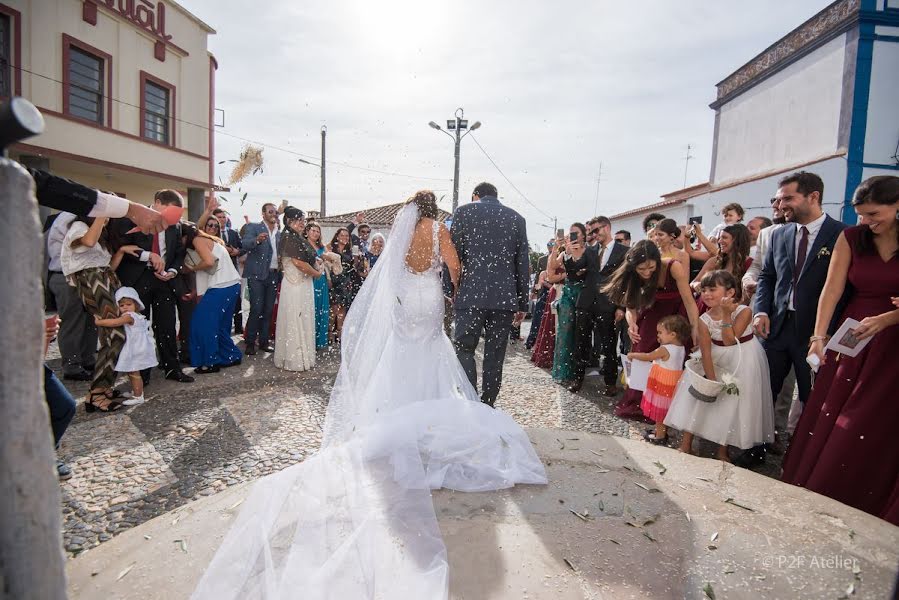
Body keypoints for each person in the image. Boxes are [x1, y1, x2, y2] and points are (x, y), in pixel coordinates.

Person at [193, 194, 547, 599]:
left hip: (405, 301)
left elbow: (388, 271)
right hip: (429, 297)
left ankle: (397, 419)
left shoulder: (400, 230)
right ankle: (429, 425)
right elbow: (451, 265)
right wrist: (452, 284)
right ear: (434, 211)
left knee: (401, 356)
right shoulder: (438, 230)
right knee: (432, 353)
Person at [783, 175, 899, 525]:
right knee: (837, 412)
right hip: (855, 336)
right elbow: (831, 290)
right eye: (861, 214)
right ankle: (827, 486)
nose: (866, 222)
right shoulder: (850, 238)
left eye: (874, 214)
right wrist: (819, 337)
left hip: (894, 341)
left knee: (876, 418)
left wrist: (890, 318)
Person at [746, 171, 848, 468]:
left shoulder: (842, 234)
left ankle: (802, 460)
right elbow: (767, 276)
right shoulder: (778, 234)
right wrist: (761, 310)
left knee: (811, 398)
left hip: (815, 333)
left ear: (813, 197)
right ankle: (756, 448)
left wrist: (829, 331)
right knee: (765, 391)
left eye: (788, 198)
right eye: (779, 199)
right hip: (776, 328)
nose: (781, 205)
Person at [665, 271, 774, 461]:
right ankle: (686, 442)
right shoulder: (703, 320)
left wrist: (725, 314)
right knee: (698, 398)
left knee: (731, 404)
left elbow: (730, 340)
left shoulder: (745, 311)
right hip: (715, 357)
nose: (707, 294)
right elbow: (706, 351)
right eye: (704, 290)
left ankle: (722, 450)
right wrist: (711, 379)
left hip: (742, 358)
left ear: (730, 292)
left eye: (712, 289)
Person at [451, 183, 530, 407]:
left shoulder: (464, 212)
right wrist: (522, 302)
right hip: (504, 299)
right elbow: (522, 264)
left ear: (476, 195)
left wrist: (450, 289)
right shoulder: (517, 219)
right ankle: (488, 403)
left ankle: (470, 400)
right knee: (495, 354)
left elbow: (454, 256)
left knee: (465, 348)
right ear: (496, 196)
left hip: (471, 294)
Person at [603, 240, 699, 420]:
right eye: (641, 270)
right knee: (643, 350)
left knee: (675, 359)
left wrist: (694, 328)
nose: (647, 273)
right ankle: (642, 403)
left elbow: (688, 300)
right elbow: (630, 307)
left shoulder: (673, 267)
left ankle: (670, 406)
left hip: (676, 315)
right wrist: (632, 323)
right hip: (651, 313)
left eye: (651, 268)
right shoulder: (632, 275)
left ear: (657, 260)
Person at [110, 189, 194, 384]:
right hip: (138, 280)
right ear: (157, 203)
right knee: (139, 327)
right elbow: (122, 245)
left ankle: (172, 368)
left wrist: (172, 271)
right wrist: (148, 256)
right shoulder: (133, 218)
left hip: (164, 281)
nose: (171, 218)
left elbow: (178, 253)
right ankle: (142, 374)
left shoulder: (175, 226)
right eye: (169, 212)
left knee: (167, 325)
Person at [61, 216, 140, 411]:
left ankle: (102, 389)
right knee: (116, 336)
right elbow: (87, 242)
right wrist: (101, 216)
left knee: (114, 336)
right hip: (92, 281)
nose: (110, 217)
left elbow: (108, 267)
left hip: (106, 280)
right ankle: (97, 393)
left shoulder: (103, 232)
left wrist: (120, 250)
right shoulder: (79, 227)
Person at [741, 196, 794, 450]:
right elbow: (760, 268)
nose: (777, 205)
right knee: (761, 374)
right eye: (774, 200)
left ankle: (777, 429)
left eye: (783, 200)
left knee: (787, 383)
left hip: (798, 319)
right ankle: (754, 432)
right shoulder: (768, 234)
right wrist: (748, 280)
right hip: (767, 314)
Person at [565, 216, 628, 395]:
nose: (593, 234)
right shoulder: (590, 251)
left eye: (596, 230)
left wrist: (621, 307)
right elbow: (574, 275)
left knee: (609, 345)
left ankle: (610, 382)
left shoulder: (624, 251)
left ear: (607, 228)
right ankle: (578, 379)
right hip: (585, 303)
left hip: (608, 305)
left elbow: (624, 282)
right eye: (590, 231)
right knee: (581, 343)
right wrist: (572, 256)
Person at [183, 223, 243, 373]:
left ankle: (210, 362)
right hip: (231, 285)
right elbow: (208, 271)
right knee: (220, 326)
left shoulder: (197, 240)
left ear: (185, 236)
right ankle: (231, 355)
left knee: (201, 325)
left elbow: (208, 262)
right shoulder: (210, 240)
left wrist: (190, 268)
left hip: (221, 287)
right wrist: (196, 291)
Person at [46, 211, 97, 380]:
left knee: (89, 320)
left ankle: (87, 359)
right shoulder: (70, 219)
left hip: (83, 275)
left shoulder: (79, 218)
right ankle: (72, 366)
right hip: (67, 276)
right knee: (72, 321)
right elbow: (82, 247)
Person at [629, 314, 690, 444]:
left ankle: (660, 436)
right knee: (664, 410)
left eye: (660, 332)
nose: (658, 336)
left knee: (659, 412)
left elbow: (648, 356)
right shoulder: (681, 347)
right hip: (672, 383)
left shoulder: (665, 349)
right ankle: (661, 431)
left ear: (673, 335)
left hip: (662, 383)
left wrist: (633, 355)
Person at [274, 208, 321, 372]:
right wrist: (317, 274)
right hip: (295, 284)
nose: (302, 223)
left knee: (302, 318)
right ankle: (295, 358)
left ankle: (302, 355)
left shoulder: (297, 238)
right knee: (295, 319)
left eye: (302, 219)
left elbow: (307, 258)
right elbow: (298, 263)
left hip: (302, 284)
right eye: (298, 220)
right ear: (288, 222)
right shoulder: (289, 238)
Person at [94, 287, 158, 406]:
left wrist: (99, 322)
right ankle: (135, 391)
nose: (125, 307)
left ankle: (138, 396)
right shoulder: (137, 315)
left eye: (129, 304)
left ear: (136, 304)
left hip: (135, 349)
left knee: (134, 372)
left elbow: (115, 322)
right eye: (122, 305)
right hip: (137, 347)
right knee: (132, 372)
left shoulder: (129, 316)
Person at [241, 203, 281, 355]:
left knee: (268, 310)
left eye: (275, 211)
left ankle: (263, 342)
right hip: (257, 275)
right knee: (256, 309)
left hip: (273, 274)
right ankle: (250, 342)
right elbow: (244, 244)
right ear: (263, 214)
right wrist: (257, 240)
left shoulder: (279, 232)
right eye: (270, 211)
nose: (273, 214)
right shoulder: (253, 227)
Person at [550, 225, 586, 384]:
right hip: (567, 294)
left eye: (575, 233)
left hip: (582, 294)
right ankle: (561, 372)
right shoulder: (564, 253)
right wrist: (555, 248)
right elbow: (552, 268)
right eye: (570, 233)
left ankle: (576, 372)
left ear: (583, 235)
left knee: (579, 334)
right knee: (563, 331)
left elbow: (583, 271)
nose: (571, 236)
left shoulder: (588, 251)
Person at [691, 223, 752, 310]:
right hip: (705, 309)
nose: (719, 241)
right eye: (719, 238)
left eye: (724, 237)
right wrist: (696, 284)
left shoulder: (749, 264)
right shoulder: (715, 261)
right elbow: (693, 282)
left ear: (737, 240)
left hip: (731, 311)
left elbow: (747, 297)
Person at [305, 222, 330, 349]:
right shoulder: (303, 245)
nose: (315, 233)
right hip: (309, 279)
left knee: (321, 308)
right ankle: (308, 339)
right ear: (307, 231)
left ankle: (319, 340)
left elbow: (330, 261)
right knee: (310, 307)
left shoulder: (322, 247)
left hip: (321, 279)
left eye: (318, 231)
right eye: (313, 230)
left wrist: (325, 260)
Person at [328, 227, 354, 344]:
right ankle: (329, 333)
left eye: (347, 236)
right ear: (337, 237)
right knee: (333, 308)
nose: (345, 237)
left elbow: (353, 267)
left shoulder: (350, 251)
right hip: (334, 281)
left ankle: (339, 333)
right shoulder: (331, 248)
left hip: (346, 282)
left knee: (342, 308)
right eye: (342, 235)